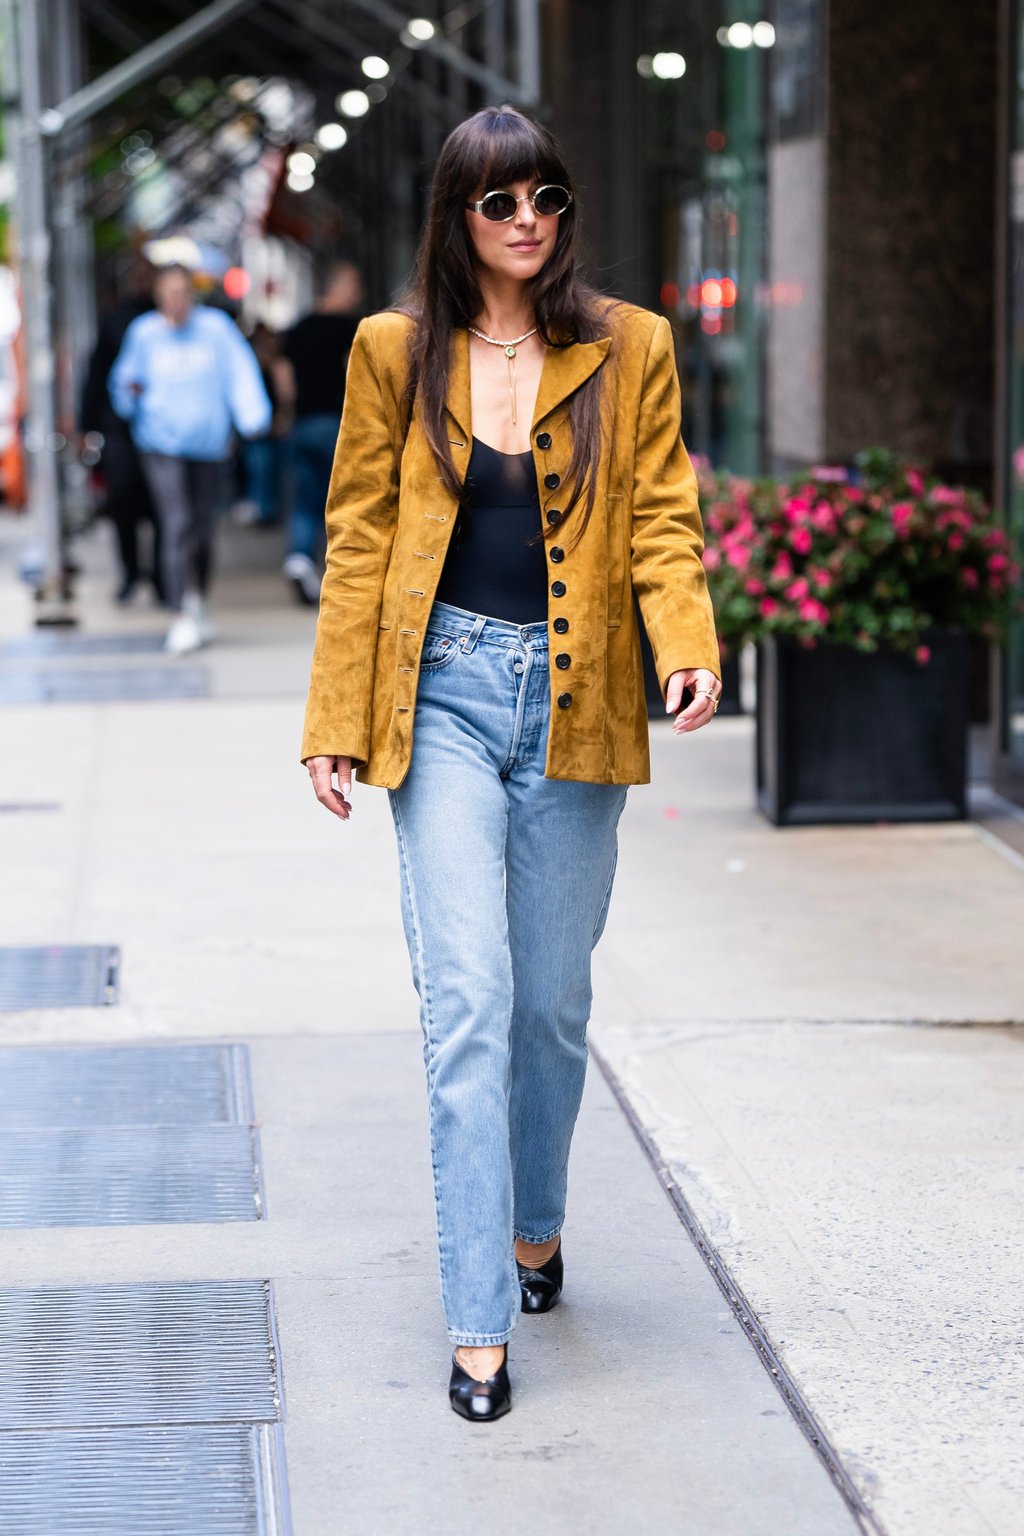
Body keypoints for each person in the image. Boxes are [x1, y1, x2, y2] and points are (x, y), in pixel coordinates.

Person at [301, 106, 721, 1422]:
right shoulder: (393, 352)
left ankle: (537, 1226)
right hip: (441, 703)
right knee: (469, 1002)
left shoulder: (626, 344)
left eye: (545, 197)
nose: (527, 221)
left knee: (549, 1006)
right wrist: (334, 718)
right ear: (457, 217)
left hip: (580, 701)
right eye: (500, 202)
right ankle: (479, 1322)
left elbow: (660, 506)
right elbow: (360, 535)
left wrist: (686, 636)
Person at [109, 264, 272, 653]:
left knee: (201, 529)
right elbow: (123, 381)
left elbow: (240, 372)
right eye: (169, 293)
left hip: (208, 445)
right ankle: (181, 609)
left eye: (182, 292)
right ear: (159, 296)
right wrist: (129, 396)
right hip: (160, 443)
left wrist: (252, 415)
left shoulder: (215, 329)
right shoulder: (144, 334)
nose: (176, 301)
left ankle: (198, 600)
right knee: (176, 522)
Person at [275, 263, 364, 605]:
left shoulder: (298, 328)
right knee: (343, 500)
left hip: (302, 423)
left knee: (304, 499)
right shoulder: (352, 329)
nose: (357, 294)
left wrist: (289, 411)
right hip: (337, 426)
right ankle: (340, 574)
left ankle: (298, 559)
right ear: (338, 287)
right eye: (354, 286)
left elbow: (283, 378)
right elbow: (355, 375)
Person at [79, 259, 160, 603]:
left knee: (160, 507)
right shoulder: (115, 322)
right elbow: (97, 377)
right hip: (120, 429)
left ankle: (159, 577)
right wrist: (87, 425)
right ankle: (131, 573)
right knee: (123, 503)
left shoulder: (165, 322)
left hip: (158, 428)